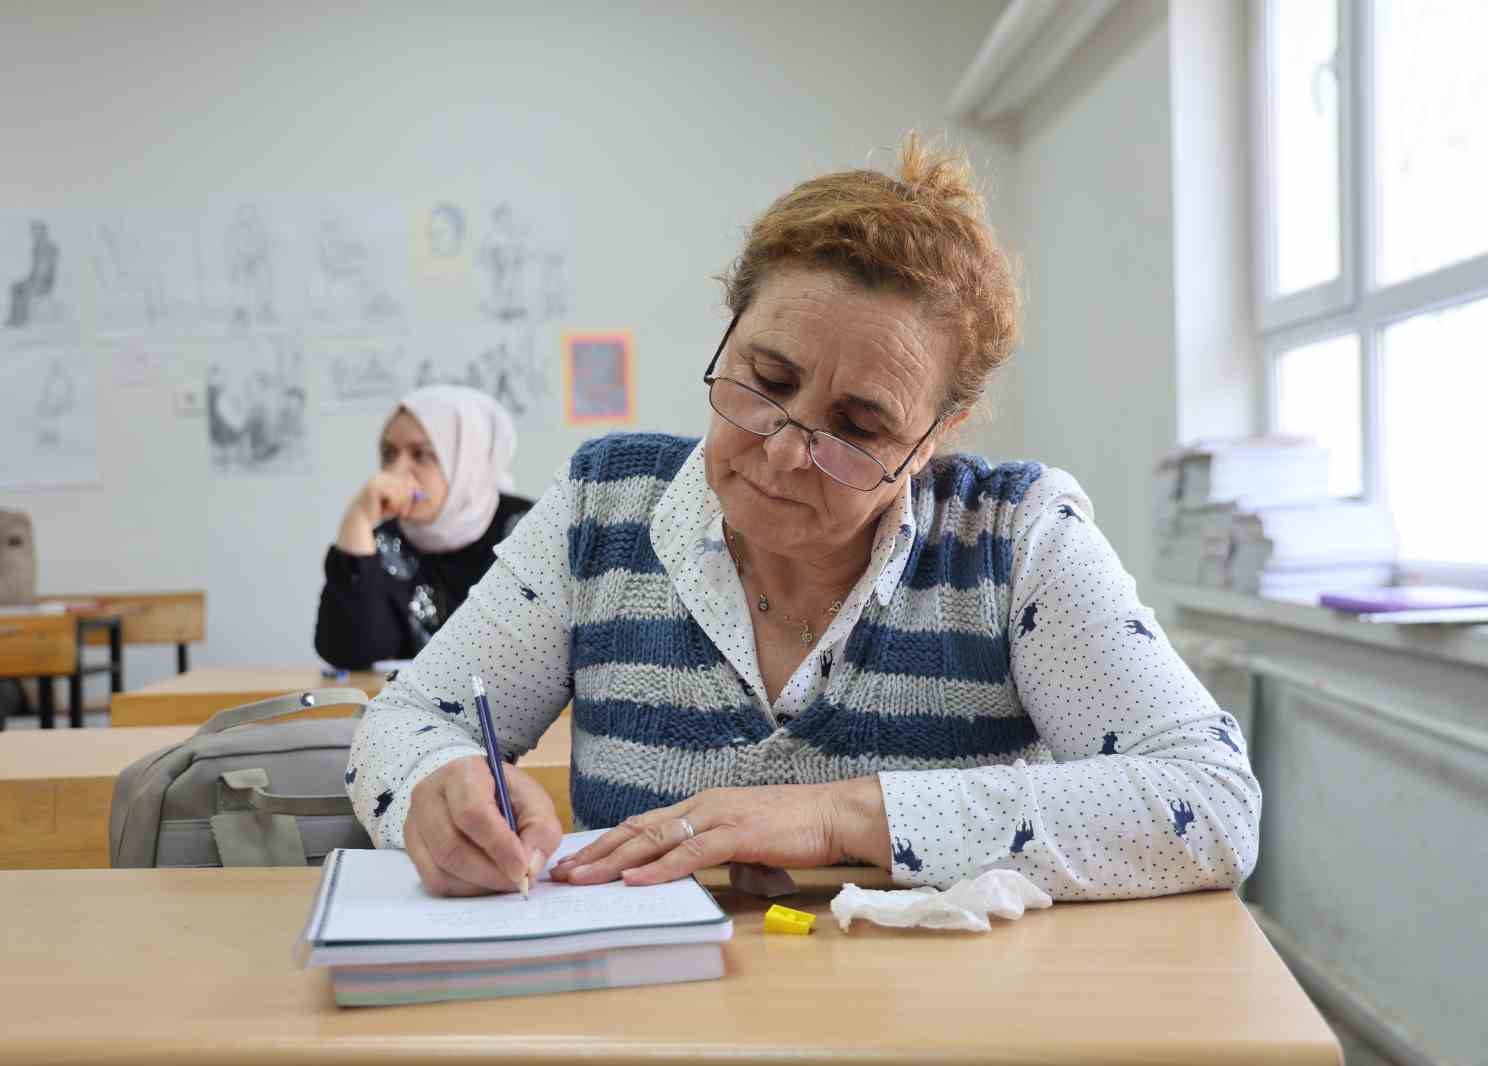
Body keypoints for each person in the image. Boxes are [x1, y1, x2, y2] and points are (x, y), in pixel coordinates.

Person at [346, 134, 1260, 902]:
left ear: (940, 433)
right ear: (729, 328)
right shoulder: (603, 511)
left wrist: (838, 814)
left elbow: (1213, 800)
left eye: (860, 427)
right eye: (766, 381)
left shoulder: (1014, 542)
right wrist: (433, 784)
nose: (784, 451)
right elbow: (405, 721)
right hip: (653, 1018)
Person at [315, 385, 530, 669]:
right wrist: (357, 522)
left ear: (468, 459)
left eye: (421, 454)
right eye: (389, 454)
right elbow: (350, 653)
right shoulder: (384, 541)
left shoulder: (529, 531)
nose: (397, 471)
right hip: (413, 712)